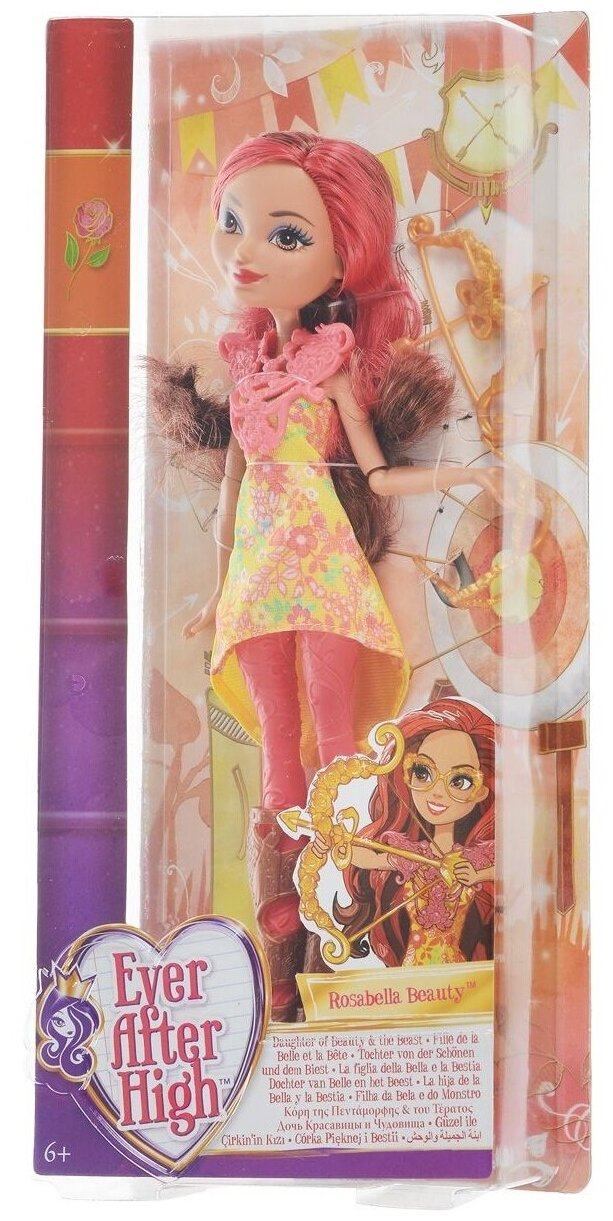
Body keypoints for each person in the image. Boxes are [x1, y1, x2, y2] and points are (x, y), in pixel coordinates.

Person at [150, 132, 502, 1018]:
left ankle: (341, 943)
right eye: (232, 223)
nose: (244, 252)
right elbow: (231, 496)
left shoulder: (333, 365)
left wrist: (461, 479)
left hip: (329, 577)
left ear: (344, 257)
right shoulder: (245, 370)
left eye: (286, 235)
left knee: (336, 745)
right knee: (279, 756)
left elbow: (375, 476)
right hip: (257, 583)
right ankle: (281, 975)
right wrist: (216, 593)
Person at [332, 699, 495, 967]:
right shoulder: (411, 855)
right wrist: (337, 841)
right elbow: (370, 858)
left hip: (463, 977)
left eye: (460, 781)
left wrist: (479, 875)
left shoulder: (476, 858)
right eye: (422, 772)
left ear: (481, 792)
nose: (438, 792)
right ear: (405, 776)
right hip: (410, 976)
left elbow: (516, 872)